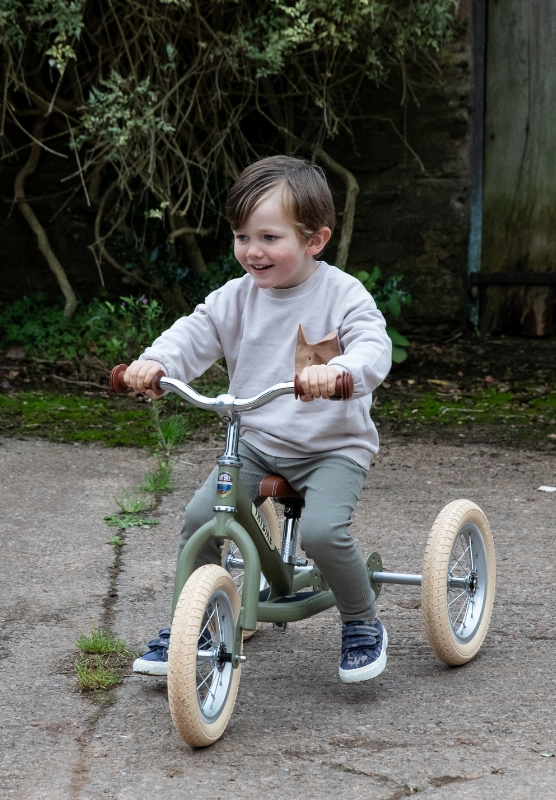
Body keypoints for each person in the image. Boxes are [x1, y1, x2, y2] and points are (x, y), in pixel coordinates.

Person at [125, 155, 392, 683]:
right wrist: (157, 362)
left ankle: (362, 620)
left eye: (269, 238)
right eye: (242, 236)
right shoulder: (236, 298)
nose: (252, 251)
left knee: (321, 532)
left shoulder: (342, 295)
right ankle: (195, 624)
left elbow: (373, 345)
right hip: (257, 439)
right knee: (200, 519)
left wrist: (341, 369)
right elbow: (193, 334)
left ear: (315, 240)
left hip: (331, 446)